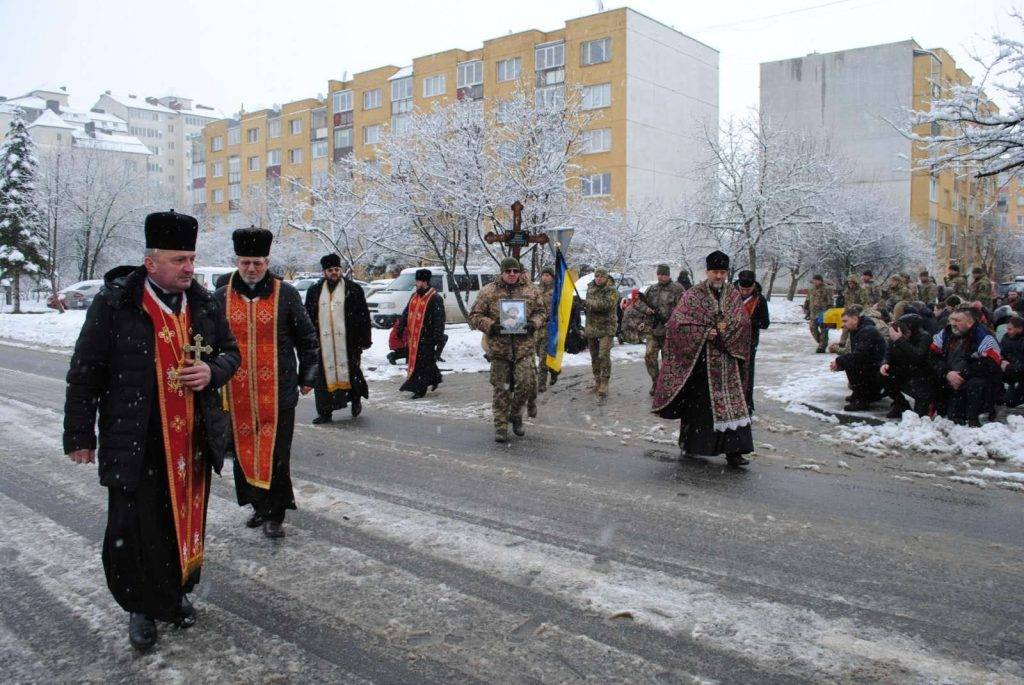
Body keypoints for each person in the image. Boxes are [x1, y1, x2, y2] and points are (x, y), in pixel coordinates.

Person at [63, 211, 240, 651]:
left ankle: (174, 593)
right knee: (136, 528)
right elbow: (86, 371)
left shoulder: (203, 303)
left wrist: (212, 370)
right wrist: (80, 434)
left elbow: (231, 352)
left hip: (191, 440)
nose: (188, 268)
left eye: (192, 258)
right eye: (179, 259)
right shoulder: (117, 304)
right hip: (138, 440)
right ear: (151, 262)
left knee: (182, 522)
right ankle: (141, 606)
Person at [214, 227, 319, 539]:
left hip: (279, 391)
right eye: (245, 262)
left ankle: (275, 513)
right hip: (236, 394)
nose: (251, 268)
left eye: (257, 262)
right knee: (244, 450)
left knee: (275, 454)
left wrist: (308, 375)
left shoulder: (285, 294)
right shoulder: (221, 297)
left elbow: (307, 337)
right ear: (237, 261)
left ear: (267, 261)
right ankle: (257, 506)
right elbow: (208, 341)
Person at [653, 250, 753, 468]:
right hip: (701, 364)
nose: (719, 276)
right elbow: (677, 324)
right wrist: (704, 333)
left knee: (733, 406)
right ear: (707, 272)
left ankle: (734, 452)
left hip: (727, 364)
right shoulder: (693, 295)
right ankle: (694, 445)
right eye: (715, 272)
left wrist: (726, 331)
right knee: (700, 409)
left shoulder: (733, 295)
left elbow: (743, 323)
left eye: (723, 272)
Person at [468, 257, 545, 442]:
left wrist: (533, 324)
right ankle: (500, 425)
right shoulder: (489, 292)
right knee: (501, 389)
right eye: (508, 271)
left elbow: (541, 312)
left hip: (523, 348)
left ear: (519, 272)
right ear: (502, 273)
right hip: (500, 349)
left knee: (526, 384)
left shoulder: (531, 290)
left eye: (515, 271)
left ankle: (516, 415)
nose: (512, 274)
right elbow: (474, 315)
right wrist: (490, 325)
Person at [304, 254, 372, 422]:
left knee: (352, 374)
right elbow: (308, 317)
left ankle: (355, 399)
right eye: (330, 270)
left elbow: (364, 316)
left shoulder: (353, 289)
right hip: (323, 345)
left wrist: (364, 340)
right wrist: (308, 340)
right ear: (324, 272)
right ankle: (325, 413)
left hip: (349, 343)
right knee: (323, 380)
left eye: (336, 269)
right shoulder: (315, 291)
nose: (334, 272)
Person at [928, 306, 1002, 426]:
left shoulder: (984, 336)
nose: (953, 323)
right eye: (952, 319)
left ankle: (974, 418)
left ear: (970, 322)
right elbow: (932, 356)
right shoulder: (945, 333)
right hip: (949, 377)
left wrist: (962, 375)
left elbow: (991, 364)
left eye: (958, 320)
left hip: (972, 380)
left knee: (976, 385)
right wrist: (947, 373)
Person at [395, 268, 445, 399]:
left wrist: (437, 337)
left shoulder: (435, 298)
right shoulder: (414, 296)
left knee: (421, 364)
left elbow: (439, 319)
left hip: (427, 337)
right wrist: (400, 327)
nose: (416, 283)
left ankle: (420, 389)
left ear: (424, 282)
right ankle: (435, 378)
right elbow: (406, 312)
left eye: (418, 281)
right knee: (426, 362)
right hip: (414, 337)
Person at [637, 264, 685, 395]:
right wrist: (647, 310)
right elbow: (639, 304)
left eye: (663, 274)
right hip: (653, 330)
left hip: (669, 331)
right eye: (659, 274)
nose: (661, 277)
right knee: (649, 356)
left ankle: (668, 385)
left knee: (668, 360)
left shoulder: (677, 289)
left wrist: (675, 322)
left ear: (668, 275)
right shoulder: (652, 289)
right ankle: (656, 382)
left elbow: (684, 308)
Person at [880, 313, 938, 418]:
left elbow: (918, 357)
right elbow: (888, 353)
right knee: (883, 376)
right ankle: (901, 405)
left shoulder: (924, 337)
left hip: (922, 376)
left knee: (920, 415)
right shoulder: (896, 338)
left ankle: (926, 405)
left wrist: (900, 341)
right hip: (904, 371)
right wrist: (885, 363)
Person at [829, 306, 886, 411]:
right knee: (847, 361)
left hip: (880, 368)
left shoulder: (867, 331)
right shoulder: (857, 329)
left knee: (850, 363)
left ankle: (863, 399)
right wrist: (840, 361)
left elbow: (859, 356)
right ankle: (859, 394)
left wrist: (839, 361)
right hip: (873, 365)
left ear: (855, 319)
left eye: (845, 321)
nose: (843, 324)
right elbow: (856, 354)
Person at [583, 267, 620, 398]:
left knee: (603, 355)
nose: (598, 279)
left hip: (606, 327)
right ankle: (597, 380)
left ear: (606, 277)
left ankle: (604, 382)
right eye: (596, 276)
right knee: (594, 356)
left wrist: (587, 303)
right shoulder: (591, 287)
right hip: (592, 327)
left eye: (601, 277)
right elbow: (589, 307)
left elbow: (605, 305)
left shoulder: (612, 290)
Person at [737, 270, 769, 411]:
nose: (744, 292)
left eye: (748, 290)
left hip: (749, 342)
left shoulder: (759, 299)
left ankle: (747, 403)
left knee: (747, 373)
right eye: (742, 289)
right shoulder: (729, 295)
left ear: (754, 286)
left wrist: (749, 322)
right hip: (729, 340)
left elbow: (765, 323)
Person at [534, 266, 557, 393]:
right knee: (538, 353)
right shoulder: (536, 290)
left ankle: (541, 383)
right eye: (543, 275)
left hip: (549, 327)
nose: (545, 277)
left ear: (552, 277)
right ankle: (554, 370)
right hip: (537, 327)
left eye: (548, 275)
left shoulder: (556, 290)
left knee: (543, 357)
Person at [804, 274, 834, 353]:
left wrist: (830, 312)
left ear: (820, 280)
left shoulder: (827, 289)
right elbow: (808, 299)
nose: (814, 282)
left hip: (823, 312)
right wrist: (806, 307)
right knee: (812, 328)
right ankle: (822, 342)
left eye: (816, 280)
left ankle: (822, 346)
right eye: (814, 280)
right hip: (813, 312)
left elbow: (830, 301)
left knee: (824, 329)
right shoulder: (812, 289)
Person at [1000, 315, 1024, 407]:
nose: (1007, 331)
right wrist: (1002, 361)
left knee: (1011, 401)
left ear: (1020, 329)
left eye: (1010, 329)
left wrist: (1010, 367)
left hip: (1019, 374)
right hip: (1010, 374)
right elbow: (1001, 352)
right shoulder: (1006, 338)